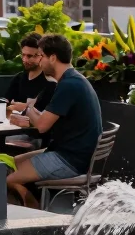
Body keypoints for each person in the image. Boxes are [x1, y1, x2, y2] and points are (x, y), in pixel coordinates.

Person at [6, 32, 102, 207]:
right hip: (69, 153)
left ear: (52, 58)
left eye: (41, 56)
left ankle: (35, 218)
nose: (39, 61)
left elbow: (42, 126)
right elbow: (43, 119)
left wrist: (27, 109)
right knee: (7, 163)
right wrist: (28, 109)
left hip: (69, 160)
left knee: (5, 179)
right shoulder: (74, 80)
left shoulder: (68, 86)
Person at [5, 33, 56, 114]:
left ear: (42, 56)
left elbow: (47, 112)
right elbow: (6, 103)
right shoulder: (18, 78)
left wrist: (26, 108)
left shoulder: (50, 82)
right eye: (23, 55)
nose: (25, 59)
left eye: (30, 56)